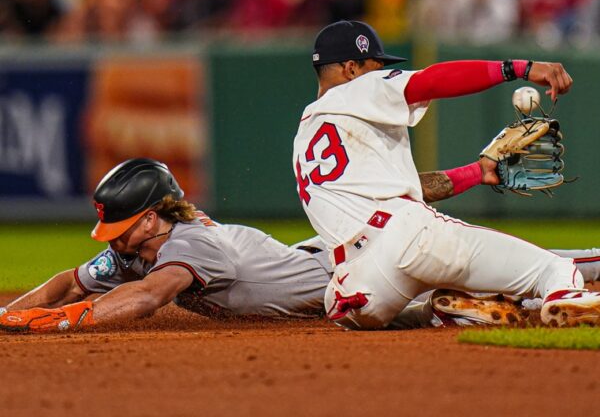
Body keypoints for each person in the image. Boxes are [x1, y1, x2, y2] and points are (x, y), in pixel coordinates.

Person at [1, 158, 598, 333]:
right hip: (329, 269)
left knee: (508, 266)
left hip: (358, 266)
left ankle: (577, 266)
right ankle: (448, 309)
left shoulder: (191, 245)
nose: (114, 241)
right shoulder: (140, 247)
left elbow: (148, 300)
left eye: (121, 226)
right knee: (443, 303)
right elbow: (67, 281)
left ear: (154, 216)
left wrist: (56, 324)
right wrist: (11, 313)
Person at [293, 19, 600, 329]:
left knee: (351, 308)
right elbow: (432, 81)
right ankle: (567, 297)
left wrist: (477, 172)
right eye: (377, 65)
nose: (382, 73)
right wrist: (519, 68)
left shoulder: (306, 135)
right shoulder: (359, 88)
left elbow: (405, 187)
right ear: (351, 68)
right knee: (555, 270)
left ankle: (435, 312)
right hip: (411, 237)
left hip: (358, 284)